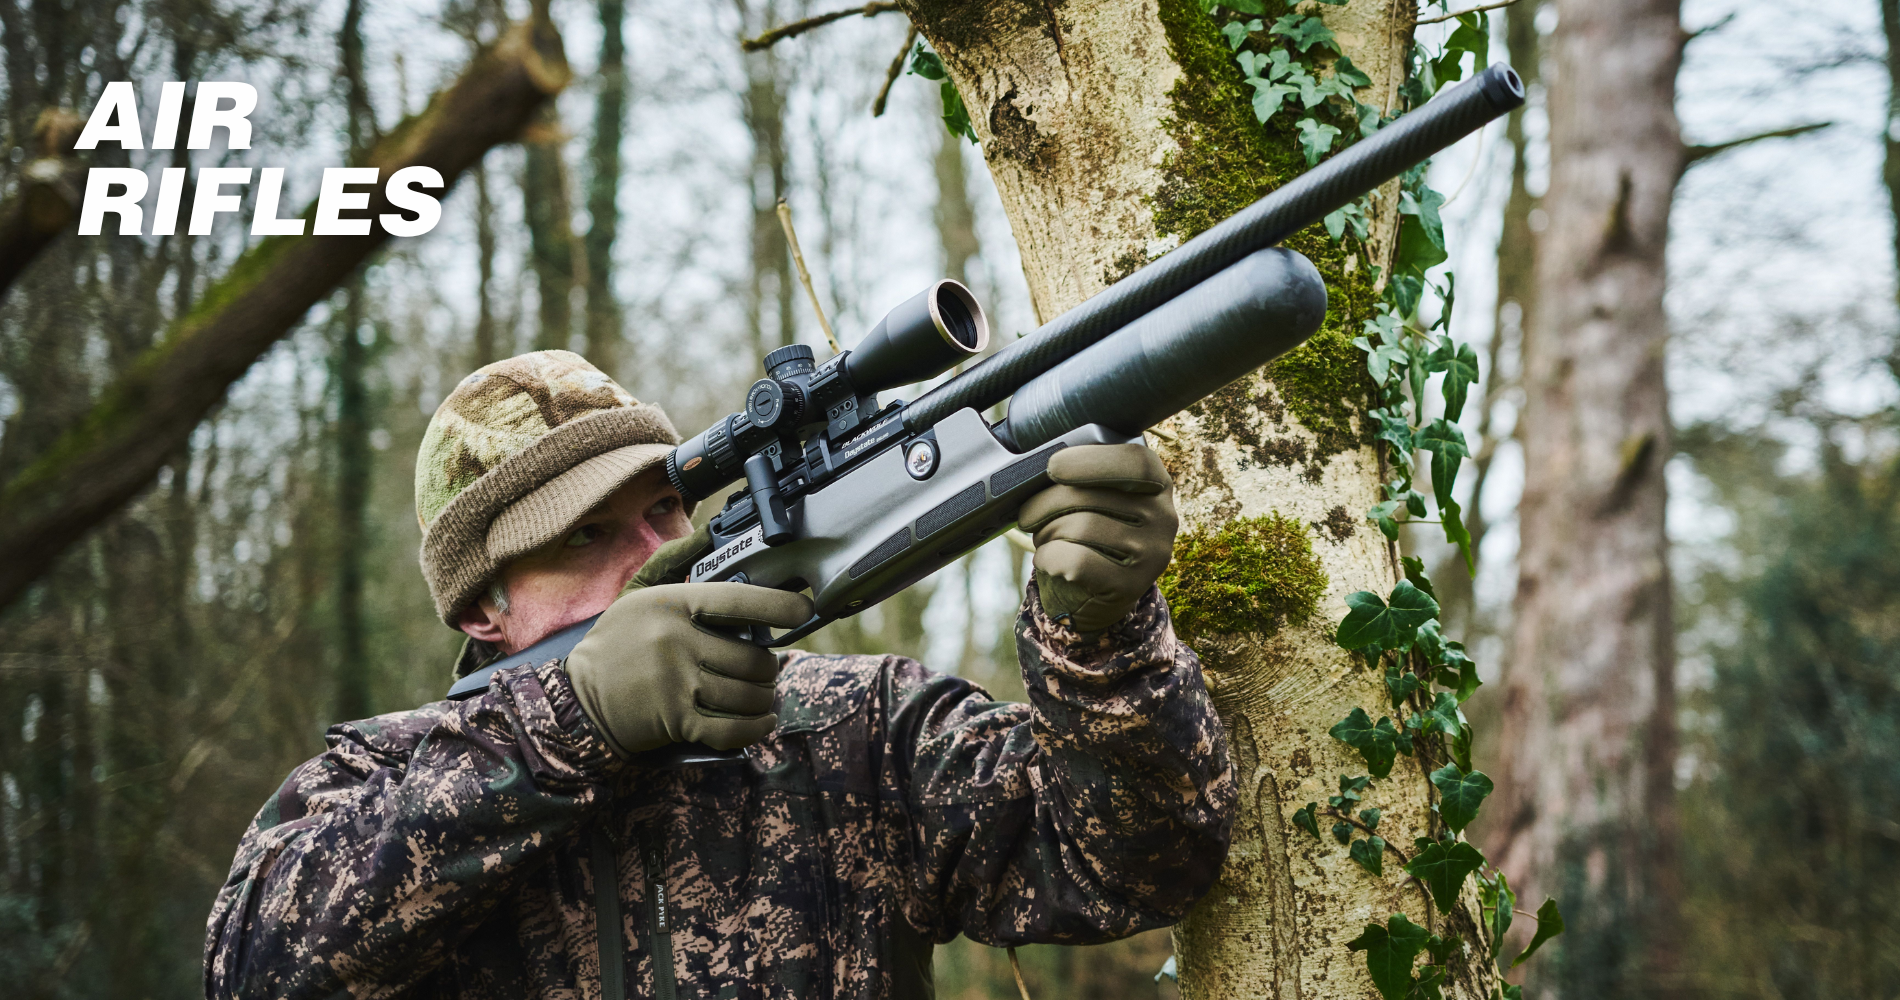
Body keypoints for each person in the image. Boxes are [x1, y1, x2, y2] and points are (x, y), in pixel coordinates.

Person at [204, 350, 1236, 999]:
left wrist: (1098, 639)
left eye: (660, 514)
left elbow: (1131, 866)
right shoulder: (382, 776)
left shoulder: (853, 727)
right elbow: (258, 971)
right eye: (586, 536)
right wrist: (571, 718)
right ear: (482, 607)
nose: (648, 554)